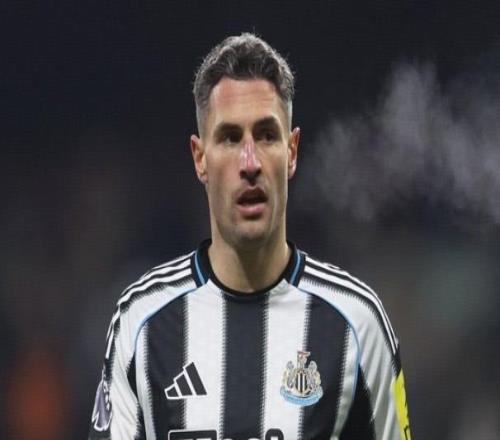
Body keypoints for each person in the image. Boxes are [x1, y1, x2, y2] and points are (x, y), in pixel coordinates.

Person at [89, 33, 411, 440]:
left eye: (266, 135)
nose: (250, 162)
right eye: (229, 137)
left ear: (292, 151)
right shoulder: (142, 321)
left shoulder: (358, 323)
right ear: (200, 158)